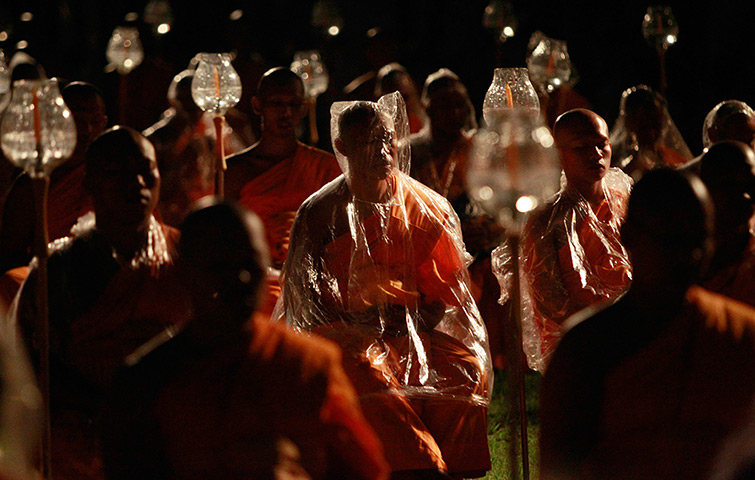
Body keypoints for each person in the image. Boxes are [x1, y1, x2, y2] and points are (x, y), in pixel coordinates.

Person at [275, 92, 492, 479]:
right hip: (343, 333)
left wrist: (412, 318)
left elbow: (444, 292)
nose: (381, 151)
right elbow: (304, 302)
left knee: (463, 366)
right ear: (342, 147)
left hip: (410, 328)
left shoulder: (426, 206)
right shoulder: (319, 212)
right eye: (368, 142)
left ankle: (459, 467)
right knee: (365, 367)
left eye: (387, 139)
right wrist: (360, 322)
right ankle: (419, 467)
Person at [99, 200, 389, 480]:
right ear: (183, 271)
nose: (239, 278)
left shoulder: (306, 362)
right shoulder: (144, 381)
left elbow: (361, 469)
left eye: (250, 263)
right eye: (219, 267)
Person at [538, 168, 755, 480]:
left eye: (699, 239)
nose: (689, 255)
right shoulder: (587, 348)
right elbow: (560, 468)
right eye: (671, 239)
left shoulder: (740, 333)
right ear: (628, 236)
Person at [14, 126, 181, 480]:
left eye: (145, 170)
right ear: (89, 183)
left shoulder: (186, 256)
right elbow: (30, 370)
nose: (136, 182)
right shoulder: (57, 269)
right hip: (83, 434)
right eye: (117, 173)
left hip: (169, 426)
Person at [494, 108, 632, 372]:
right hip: (579, 339)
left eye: (601, 145)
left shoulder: (625, 203)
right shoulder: (548, 219)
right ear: (558, 155)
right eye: (582, 147)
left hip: (633, 322)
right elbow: (552, 302)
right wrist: (612, 324)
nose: (595, 155)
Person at [224, 67, 342, 314]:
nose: (285, 112)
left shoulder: (326, 167)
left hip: (314, 288)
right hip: (256, 288)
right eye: (276, 103)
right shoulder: (235, 170)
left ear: (304, 108)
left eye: (293, 104)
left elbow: (340, 237)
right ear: (257, 105)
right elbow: (226, 239)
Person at [409, 68, 506, 368]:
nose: (455, 113)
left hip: (479, 255)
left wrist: (490, 229)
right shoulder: (408, 152)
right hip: (427, 254)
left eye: (460, 104)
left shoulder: (483, 151)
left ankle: (499, 357)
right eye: (445, 105)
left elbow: (505, 207)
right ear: (428, 108)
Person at [0, 81, 108, 315]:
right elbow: (10, 254)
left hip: (105, 276)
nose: (87, 131)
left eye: (95, 122)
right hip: (47, 281)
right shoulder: (33, 183)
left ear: (105, 124)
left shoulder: (114, 172)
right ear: (60, 123)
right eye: (78, 122)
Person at [143, 70, 217, 227]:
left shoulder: (208, 137)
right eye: (189, 106)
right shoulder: (156, 140)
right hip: (164, 220)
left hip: (200, 217)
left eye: (199, 106)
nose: (195, 113)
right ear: (175, 102)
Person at [696, 141, 755, 306]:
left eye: (750, 186)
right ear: (704, 188)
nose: (745, 196)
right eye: (731, 186)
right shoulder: (681, 258)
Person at [609, 84, 692, 178]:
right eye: (643, 125)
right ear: (628, 122)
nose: (651, 132)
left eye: (655, 123)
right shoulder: (613, 162)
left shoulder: (673, 158)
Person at [374, 63, 426, 134]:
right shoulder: (377, 130)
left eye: (404, 98)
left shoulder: (426, 119)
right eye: (392, 101)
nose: (400, 106)